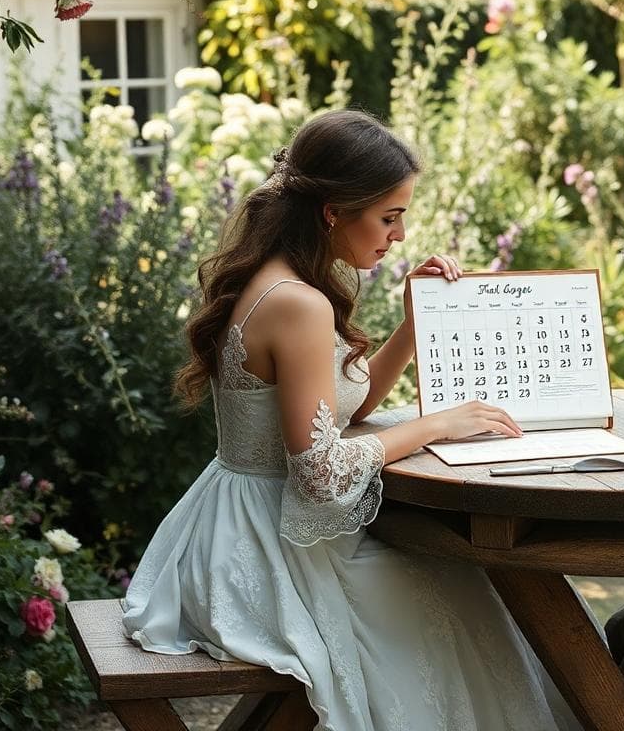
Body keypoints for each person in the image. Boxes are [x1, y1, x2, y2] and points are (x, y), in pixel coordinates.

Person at [121, 109, 582, 730]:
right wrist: (434, 426)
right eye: (389, 217)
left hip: (247, 519)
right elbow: (318, 470)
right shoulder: (298, 303)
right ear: (334, 211)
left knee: (483, 584)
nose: (398, 235)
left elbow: (346, 406)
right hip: (269, 544)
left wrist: (414, 322)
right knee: (483, 588)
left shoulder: (285, 281)